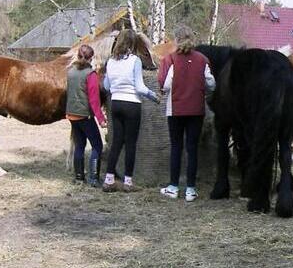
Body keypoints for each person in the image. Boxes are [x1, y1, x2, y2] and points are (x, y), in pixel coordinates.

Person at [158, 25, 215, 201]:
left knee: (176, 147)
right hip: (196, 110)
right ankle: (191, 189)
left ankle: (173, 187)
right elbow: (211, 84)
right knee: (192, 148)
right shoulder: (202, 59)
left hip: (175, 109)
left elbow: (165, 85)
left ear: (176, 40)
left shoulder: (170, 59)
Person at [102, 29, 160, 192]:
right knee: (130, 144)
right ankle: (128, 182)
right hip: (131, 104)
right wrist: (153, 96)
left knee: (116, 143)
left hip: (116, 104)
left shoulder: (111, 62)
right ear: (133, 44)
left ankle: (109, 180)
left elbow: (106, 86)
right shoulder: (135, 60)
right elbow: (140, 87)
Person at [65, 44, 107, 187]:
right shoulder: (91, 74)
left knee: (80, 146)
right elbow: (94, 100)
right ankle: (94, 179)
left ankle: (79, 178)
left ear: (78, 56)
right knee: (97, 145)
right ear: (92, 58)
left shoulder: (70, 72)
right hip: (85, 116)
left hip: (71, 115)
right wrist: (101, 119)